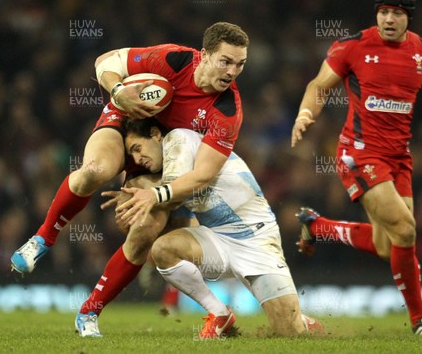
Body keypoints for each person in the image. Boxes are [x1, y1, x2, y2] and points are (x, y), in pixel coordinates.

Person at [10, 22, 249, 330]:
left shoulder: (228, 110)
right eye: (225, 61)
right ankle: (43, 238)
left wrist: (156, 195)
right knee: (94, 172)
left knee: (146, 230)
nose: (231, 72)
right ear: (204, 55)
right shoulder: (173, 60)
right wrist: (118, 90)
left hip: (162, 159)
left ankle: (88, 313)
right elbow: (105, 63)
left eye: (240, 64)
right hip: (126, 120)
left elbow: (203, 174)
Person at [291, 0, 422, 336]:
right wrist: (306, 114)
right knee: (407, 230)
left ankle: (318, 227)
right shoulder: (352, 46)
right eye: (383, 11)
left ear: (408, 17)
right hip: (359, 153)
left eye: (397, 13)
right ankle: (421, 321)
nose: (389, 18)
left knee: (388, 244)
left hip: (399, 158)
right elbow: (319, 86)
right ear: (376, 14)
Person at [89, 118, 323, 339]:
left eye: (138, 148)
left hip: (255, 239)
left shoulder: (179, 139)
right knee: (163, 249)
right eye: (132, 154)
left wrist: (141, 196)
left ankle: (301, 321)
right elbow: (175, 225)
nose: (138, 159)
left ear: (156, 134)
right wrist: (132, 219)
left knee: (290, 333)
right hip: (217, 238)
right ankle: (220, 314)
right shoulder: (168, 170)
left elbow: (172, 192)